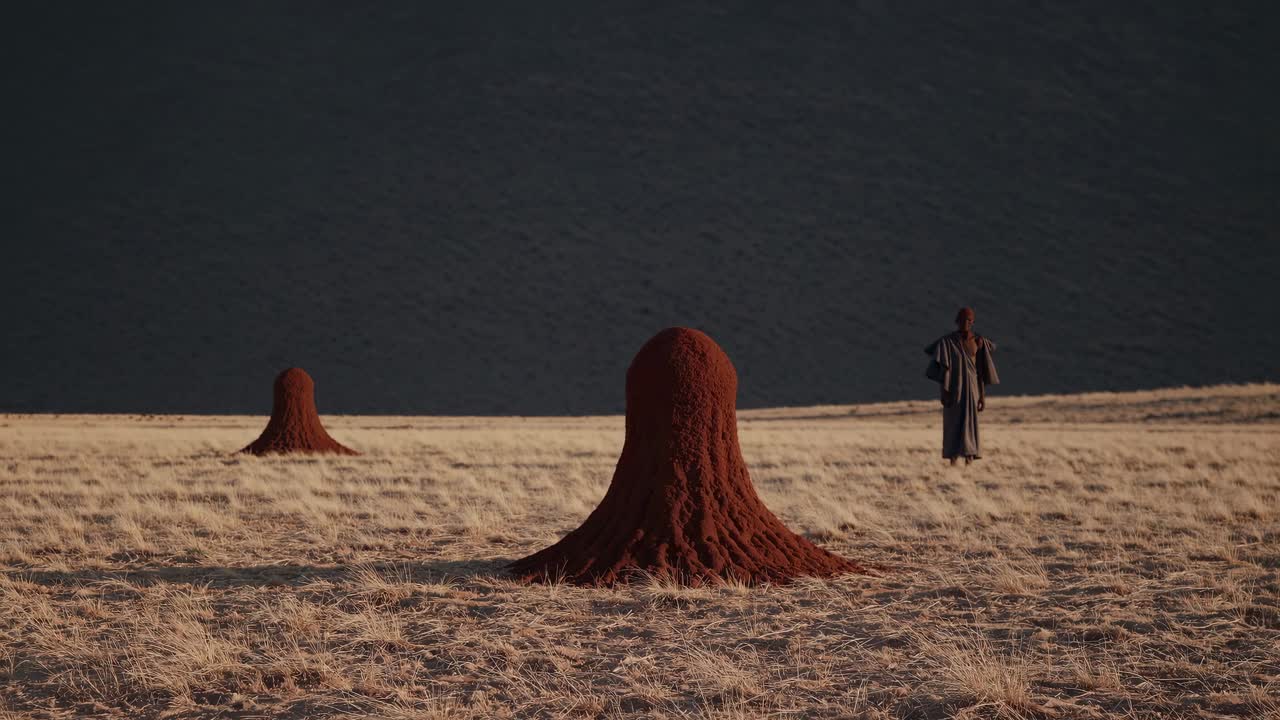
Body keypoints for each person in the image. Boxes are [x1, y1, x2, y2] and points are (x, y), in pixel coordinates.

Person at [925, 307, 999, 465]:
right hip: (954, 390)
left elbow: (980, 372)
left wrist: (982, 397)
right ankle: (952, 459)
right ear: (957, 321)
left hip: (972, 390)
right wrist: (943, 392)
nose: (965, 323)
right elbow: (942, 370)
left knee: (970, 424)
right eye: (962, 320)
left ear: (972, 322)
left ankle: (969, 458)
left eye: (969, 320)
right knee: (953, 423)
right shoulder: (948, 342)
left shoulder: (978, 342)